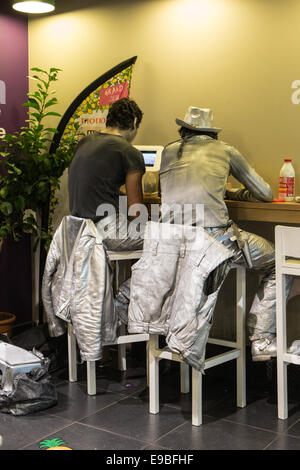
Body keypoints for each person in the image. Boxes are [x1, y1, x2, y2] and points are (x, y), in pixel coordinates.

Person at [159, 106, 292, 361]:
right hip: (211, 244)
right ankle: (262, 339)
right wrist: (236, 193)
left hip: (171, 245)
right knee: (278, 262)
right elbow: (264, 193)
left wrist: (225, 193)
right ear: (212, 133)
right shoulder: (225, 150)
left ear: (183, 130)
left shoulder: (167, 151)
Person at [68, 97, 145, 251]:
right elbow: (136, 211)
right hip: (106, 231)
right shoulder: (129, 151)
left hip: (77, 229)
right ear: (135, 122)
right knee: (167, 238)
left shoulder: (85, 142)